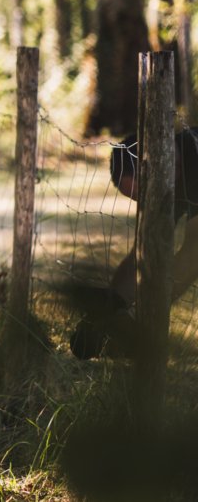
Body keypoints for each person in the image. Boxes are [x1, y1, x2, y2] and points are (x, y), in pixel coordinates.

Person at [70, 128, 198, 359]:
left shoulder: (194, 161)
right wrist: (110, 309)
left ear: (155, 165)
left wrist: (139, 320)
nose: (144, 203)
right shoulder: (165, 176)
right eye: (138, 199)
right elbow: (143, 250)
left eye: (144, 194)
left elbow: (193, 252)